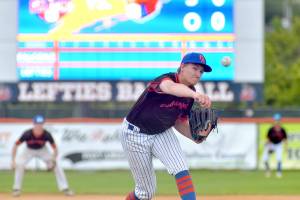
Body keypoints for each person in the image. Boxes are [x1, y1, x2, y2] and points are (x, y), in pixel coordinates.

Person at [121, 52, 213, 200]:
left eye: (201, 71)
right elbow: (170, 88)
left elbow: (179, 121)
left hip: (161, 132)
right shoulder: (165, 80)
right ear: (182, 67)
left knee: (181, 168)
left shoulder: (190, 95)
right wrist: (195, 96)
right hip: (134, 134)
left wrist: (195, 136)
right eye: (195, 68)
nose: (198, 74)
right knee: (145, 193)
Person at [11, 115, 74, 197]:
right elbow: (15, 145)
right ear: (33, 124)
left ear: (43, 124)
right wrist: (13, 160)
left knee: (57, 165)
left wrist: (53, 159)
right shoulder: (27, 134)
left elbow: (55, 149)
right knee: (19, 164)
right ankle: (16, 189)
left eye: (40, 124)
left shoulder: (47, 134)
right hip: (28, 150)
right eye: (37, 124)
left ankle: (65, 188)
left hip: (43, 150)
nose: (39, 126)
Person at [262, 113, 288, 178]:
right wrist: (267, 145)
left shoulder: (282, 130)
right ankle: (268, 170)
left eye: (278, 120)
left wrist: (286, 147)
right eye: (276, 120)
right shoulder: (271, 129)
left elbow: (285, 139)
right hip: (271, 144)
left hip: (278, 145)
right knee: (265, 158)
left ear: (280, 121)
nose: (277, 122)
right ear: (274, 121)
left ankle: (279, 172)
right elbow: (268, 139)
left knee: (279, 158)